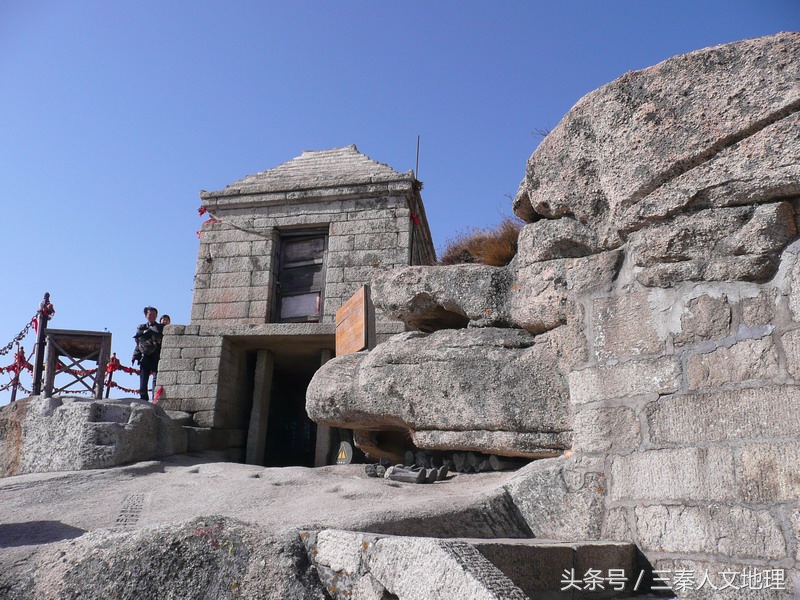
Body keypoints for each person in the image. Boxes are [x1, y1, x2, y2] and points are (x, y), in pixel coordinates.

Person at [132, 306, 164, 401]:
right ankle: (143, 398)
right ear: (146, 316)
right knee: (143, 377)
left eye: (154, 314)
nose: (152, 316)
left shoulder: (161, 327)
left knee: (156, 378)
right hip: (145, 355)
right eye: (150, 314)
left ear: (157, 316)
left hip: (157, 355)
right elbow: (138, 340)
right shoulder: (141, 327)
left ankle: (155, 397)